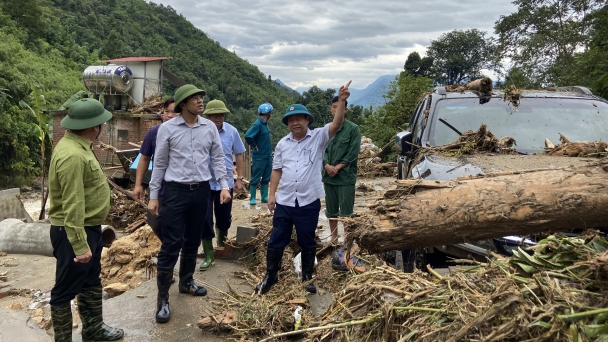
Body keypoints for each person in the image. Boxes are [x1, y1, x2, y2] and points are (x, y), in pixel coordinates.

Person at [256, 81, 351, 295]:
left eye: (299, 118)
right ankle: (270, 276)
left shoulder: (318, 138)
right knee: (277, 239)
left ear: (307, 120)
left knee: (307, 239)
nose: (295, 123)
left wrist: (342, 101)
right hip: (285, 201)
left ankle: (308, 276)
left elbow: (336, 124)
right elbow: (277, 171)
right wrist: (272, 195)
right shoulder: (282, 144)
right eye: (291, 120)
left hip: (308, 200)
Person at [148, 84, 231, 324]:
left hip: (202, 191)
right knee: (172, 243)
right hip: (175, 192)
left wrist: (224, 185)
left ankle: (186, 281)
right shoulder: (167, 129)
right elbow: (160, 163)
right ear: (183, 104)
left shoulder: (209, 128)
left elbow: (217, 158)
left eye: (201, 97)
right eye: (195, 98)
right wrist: (154, 196)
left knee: (193, 239)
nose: (200, 101)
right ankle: (163, 299)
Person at [48, 98, 124, 342]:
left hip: (89, 228)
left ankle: (93, 329)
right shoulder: (72, 155)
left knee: (90, 281)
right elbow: (72, 203)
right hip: (74, 231)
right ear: (95, 126)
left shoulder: (80, 147)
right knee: (64, 290)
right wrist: (80, 245)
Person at [199, 99, 246, 271]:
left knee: (224, 217)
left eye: (221, 114)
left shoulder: (232, 131)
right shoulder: (200, 130)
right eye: (214, 115)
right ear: (208, 116)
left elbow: (239, 154)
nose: (218, 117)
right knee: (205, 219)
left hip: (224, 183)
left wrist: (239, 178)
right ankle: (209, 253)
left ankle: (221, 243)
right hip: (203, 181)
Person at [133, 98, 178, 240]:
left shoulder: (185, 133)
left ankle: (173, 250)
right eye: (167, 111)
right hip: (159, 187)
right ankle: (170, 246)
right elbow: (145, 158)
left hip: (179, 188)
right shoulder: (154, 132)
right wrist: (138, 184)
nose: (170, 115)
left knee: (178, 223)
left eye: (174, 112)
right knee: (155, 222)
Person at [322, 96, 362, 243]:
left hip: (345, 177)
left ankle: (348, 241)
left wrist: (337, 167)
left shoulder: (353, 129)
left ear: (345, 109)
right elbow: (322, 150)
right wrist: (326, 165)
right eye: (334, 106)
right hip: (329, 177)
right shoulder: (326, 130)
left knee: (346, 213)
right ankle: (333, 238)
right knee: (331, 210)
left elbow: (352, 153)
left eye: (339, 107)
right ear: (331, 109)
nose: (336, 109)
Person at [244, 103, 273, 205]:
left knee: (266, 177)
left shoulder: (264, 123)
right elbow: (248, 135)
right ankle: (252, 198)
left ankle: (264, 197)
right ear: (268, 113)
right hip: (259, 156)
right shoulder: (258, 124)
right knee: (256, 177)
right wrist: (253, 144)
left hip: (268, 155)